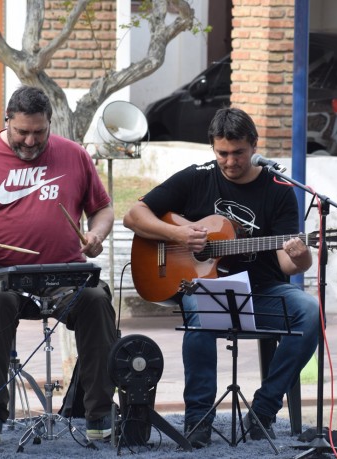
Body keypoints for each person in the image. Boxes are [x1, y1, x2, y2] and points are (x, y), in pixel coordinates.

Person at [0, 86, 117, 445]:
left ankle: (99, 414)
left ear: (49, 125)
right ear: (7, 121)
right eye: (21, 132)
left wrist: (97, 233)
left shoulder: (73, 155)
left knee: (95, 298)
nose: (30, 141)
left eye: (39, 133)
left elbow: (102, 209)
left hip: (61, 270)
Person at [123, 107, 320, 448]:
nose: (230, 161)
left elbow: (289, 266)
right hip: (201, 286)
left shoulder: (278, 190)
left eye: (238, 153)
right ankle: (198, 420)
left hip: (261, 291)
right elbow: (133, 214)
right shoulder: (197, 177)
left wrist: (302, 255)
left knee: (310, 311)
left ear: (254, 145)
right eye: (222, 153)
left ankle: (263, 411)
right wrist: (178, 235)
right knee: (200, 312)